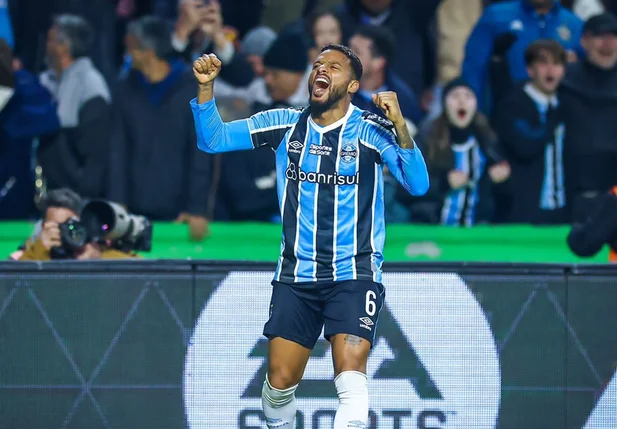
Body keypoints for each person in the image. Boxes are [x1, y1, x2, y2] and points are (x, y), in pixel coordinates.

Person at [190, 45, 429, 428]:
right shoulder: (283, 123)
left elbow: (417, 184)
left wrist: (401, 126)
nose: (321, 69)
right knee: (279, 383)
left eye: (333, 67)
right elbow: (212, 140)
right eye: (317, 64)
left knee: (350, 375)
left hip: (354, 274)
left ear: (352, 85)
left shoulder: (370, 130)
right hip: (296, 277)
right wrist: (205, 89)